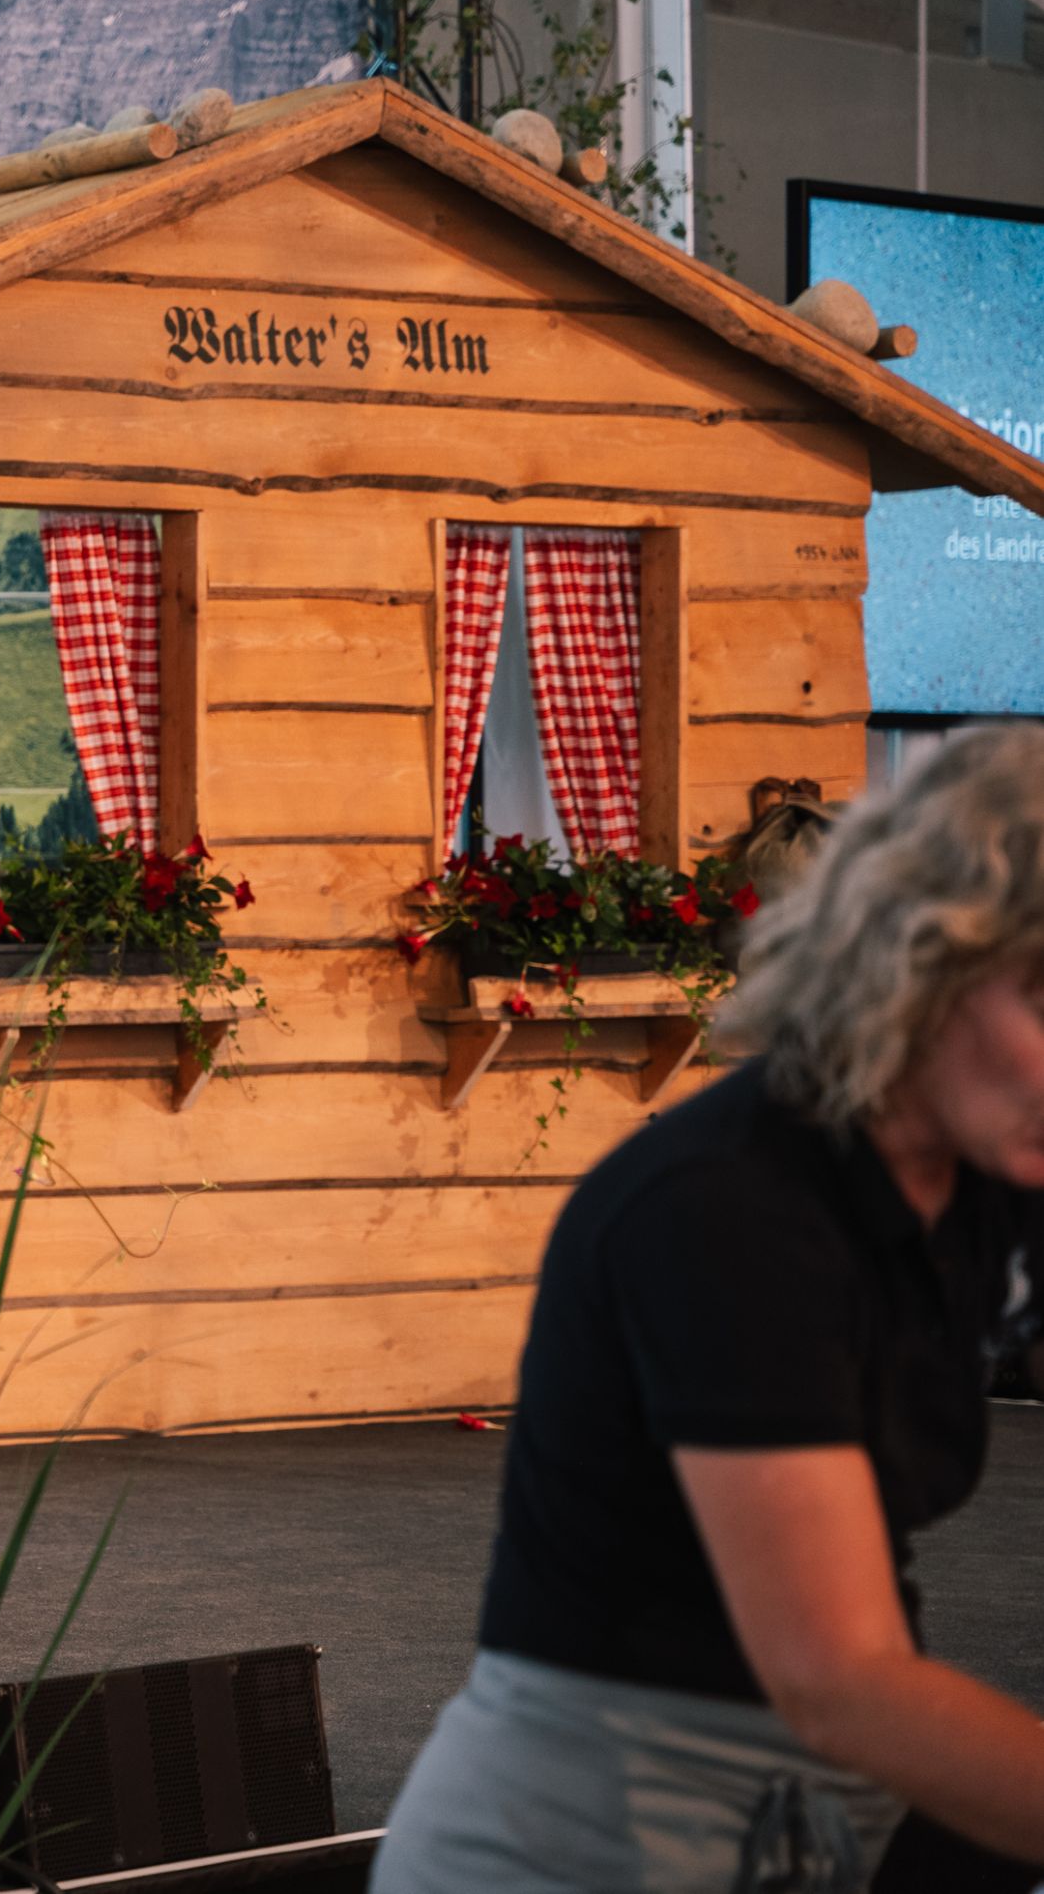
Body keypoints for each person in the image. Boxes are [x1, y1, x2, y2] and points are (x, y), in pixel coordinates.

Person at [373, 723, 1044, 1891]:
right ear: (913, 963)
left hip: (830, 1812)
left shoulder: (985, 1166)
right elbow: (836, 1677)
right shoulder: (722, 1211)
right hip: (575, 1848)